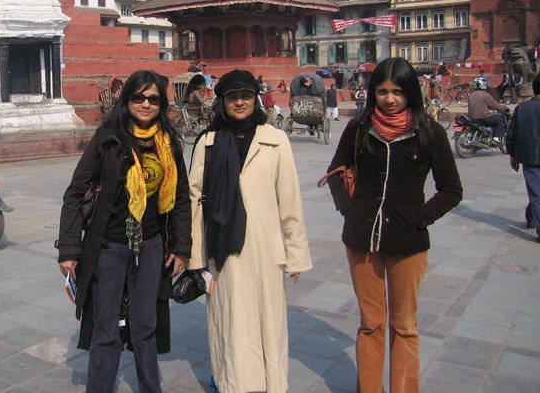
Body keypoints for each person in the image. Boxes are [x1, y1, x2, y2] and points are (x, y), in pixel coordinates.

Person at [325, 57, 462, 393]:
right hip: (362, 240)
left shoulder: (428, 132)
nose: (389, 99)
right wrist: (350, 210)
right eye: (382, 91)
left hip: (408, 242)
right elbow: (335, 173)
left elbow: (452, 190)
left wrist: (419, 217)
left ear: (410, 93)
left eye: (397, 92)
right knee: (371, 323)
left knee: (404, 325)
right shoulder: (358, 128)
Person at [56, 70, 191, 393]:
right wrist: (69, 249)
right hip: (108, 247)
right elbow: (75, 192)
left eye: (153, 99)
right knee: (106, 327)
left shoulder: (168, 143)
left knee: (145, 325)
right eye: (139, 97)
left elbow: (181, 197)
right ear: (127, 99)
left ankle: (149, 387)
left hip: (152, 245)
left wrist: (182, 247)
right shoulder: (108, 138)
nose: (146, 104)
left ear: (162, 103)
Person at [188, 69, 311, 393]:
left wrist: (296, 253)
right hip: (222, 251)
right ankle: (231, 385)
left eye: (245, 96)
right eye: (231, 97)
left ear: (255, 99)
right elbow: (193, 201)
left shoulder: (276, 140)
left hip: (264, 251)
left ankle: (271, 386)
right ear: (222, 102)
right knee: (231, 325)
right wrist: (194, 255)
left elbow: (290, 201)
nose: (239, 102)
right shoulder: (208, 142)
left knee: (268, 326)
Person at [506, 73, 540, 241]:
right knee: (536, 194)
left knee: (535, 192)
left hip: (529, 156)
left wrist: (512, 154)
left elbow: (511, 134)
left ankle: (532, 217)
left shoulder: (522, 108)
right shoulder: (522, 108)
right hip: (530, 155)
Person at [467, 77, 508, 143]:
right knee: (500, 120)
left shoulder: (471, 95)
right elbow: (494, 105)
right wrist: (504, 108)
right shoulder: (485, 94)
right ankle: (496, 138)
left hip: (472, 117)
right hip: (483, 117)